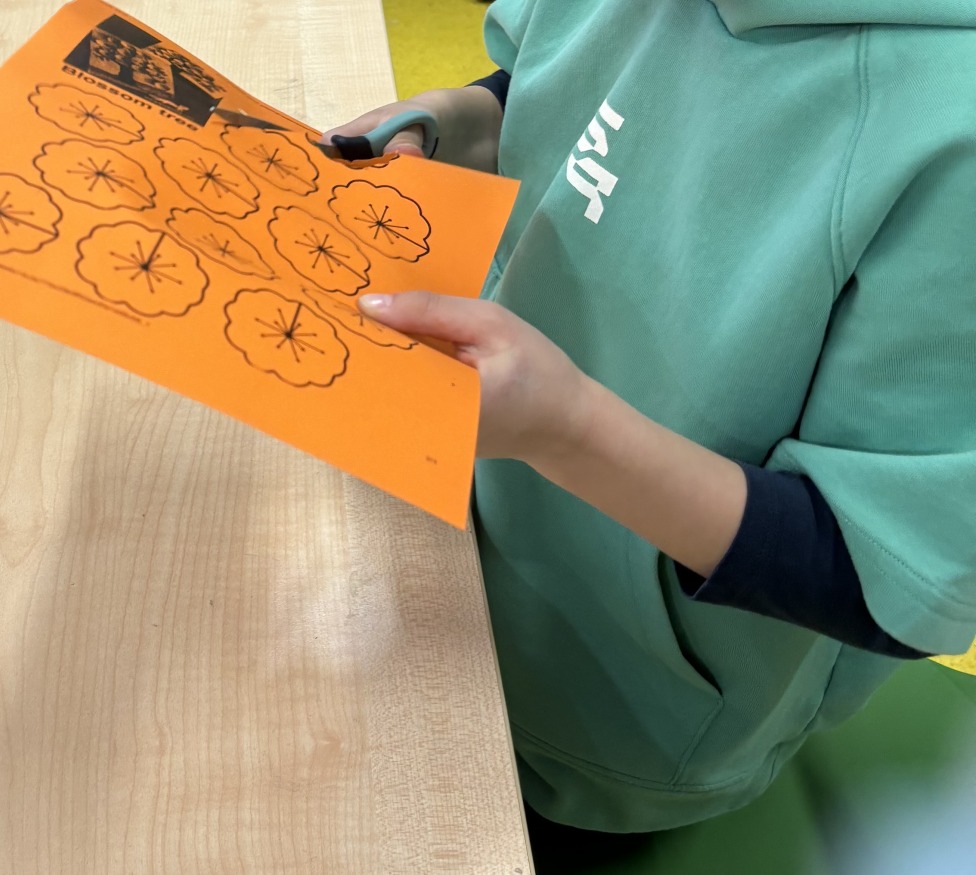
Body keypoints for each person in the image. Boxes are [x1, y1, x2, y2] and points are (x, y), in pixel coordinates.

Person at [325, 0, 976, 865]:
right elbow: (582, 96)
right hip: (440, 527)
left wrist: (564, 427)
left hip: (604, 721)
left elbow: (882, 572)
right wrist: (460, 120)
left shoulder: (949, 132)